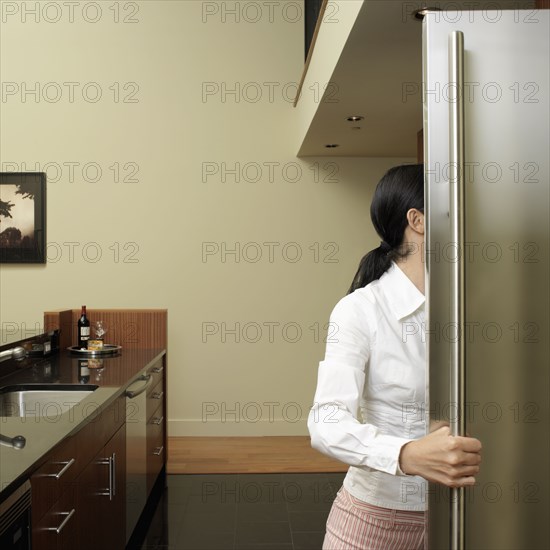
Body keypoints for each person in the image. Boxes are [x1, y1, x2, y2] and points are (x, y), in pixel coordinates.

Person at [307, 164, 482, 550]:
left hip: (462, 517)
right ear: (417, 221)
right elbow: (326, 422)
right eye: (454, 207)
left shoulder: (469, 307)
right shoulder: (360, 310)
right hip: (375, 522)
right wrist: (406, 454)